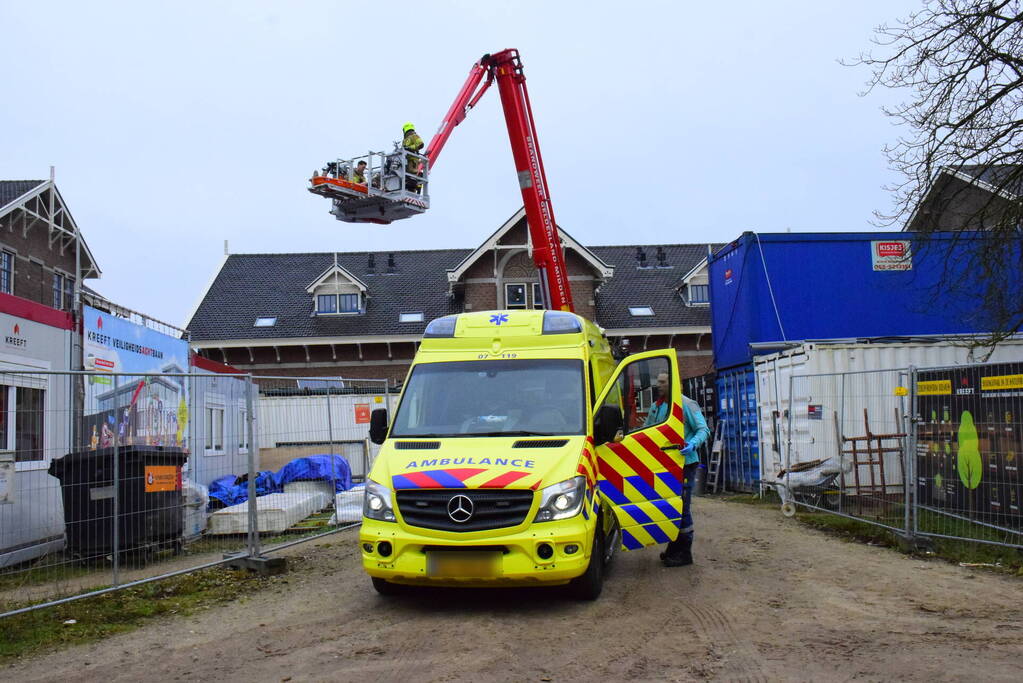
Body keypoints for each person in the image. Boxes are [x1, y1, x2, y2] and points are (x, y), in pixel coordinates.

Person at [644, 372, 710, 567]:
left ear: (674, 384)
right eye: (658, 382)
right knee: (671, 507)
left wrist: (692, 443)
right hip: (664, 465)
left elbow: (703, 429)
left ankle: (684, 553)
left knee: (682, 507)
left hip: (685, 462)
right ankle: (674, 548)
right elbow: (648, 431)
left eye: (663, 382)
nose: (659, 385)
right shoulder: (657, 407)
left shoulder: (686, 404)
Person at [402, 122, 425, 190]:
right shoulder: (404, 140)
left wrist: (410, 148)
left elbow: (420, 144)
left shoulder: (414, 136)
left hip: (412, 159)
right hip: (405, 160)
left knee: (411, 173)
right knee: (406, 176)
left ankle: (415, 180)